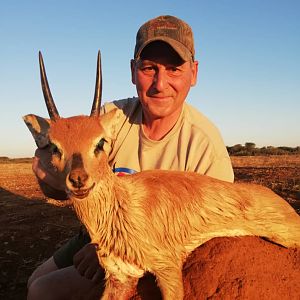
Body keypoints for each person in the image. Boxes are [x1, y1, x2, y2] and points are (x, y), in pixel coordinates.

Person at [27, 15, 234, 299]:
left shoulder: (204, 145)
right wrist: (49, 171)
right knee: (34, 278)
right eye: (149, 68)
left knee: (42, 291)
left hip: (148, 251)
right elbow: (55, 157)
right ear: (133, 70)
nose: (160, 84)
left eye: (174, 69)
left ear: (194, 73)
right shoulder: (112, 118)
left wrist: (109, 249)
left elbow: (213, 238)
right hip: (96, 234)